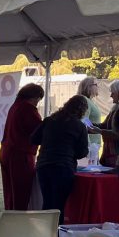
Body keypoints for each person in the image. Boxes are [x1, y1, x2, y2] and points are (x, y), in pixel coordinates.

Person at [31, 95, 89, 224]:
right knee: (58, 206)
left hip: (44, 165)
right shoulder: (79, 126)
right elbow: (82, 152)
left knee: (47, 202)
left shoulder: (49, 120)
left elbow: (34, 139)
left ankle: (43, 235)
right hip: (63, 167)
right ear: (82, 111)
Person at [0, 83, 44, 210]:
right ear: (34, 97)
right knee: (21, 192)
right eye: (38, 100)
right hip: (20, 154)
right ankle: (19, 218)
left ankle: (10, 216)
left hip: (7, 151)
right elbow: (38, 131)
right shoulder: (27, 109)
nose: (37, 103)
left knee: (9, 192)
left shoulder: (15, 106)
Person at [78, 77, 102, 162]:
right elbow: (83, 120)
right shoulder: (86, 100)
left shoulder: (90, 101)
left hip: (94, 144)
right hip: (90, 145)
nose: (98, 87)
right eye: (96, 84)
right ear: (89, 87)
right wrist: (88, 144)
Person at [98, 80, 119, 169]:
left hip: (116, 155)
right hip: (109, 153)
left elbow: (117, 134)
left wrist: (99, 131)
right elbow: (104, 125)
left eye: (113, 93)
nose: (111, 95)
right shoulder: (115, 109)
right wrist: (86, 126)